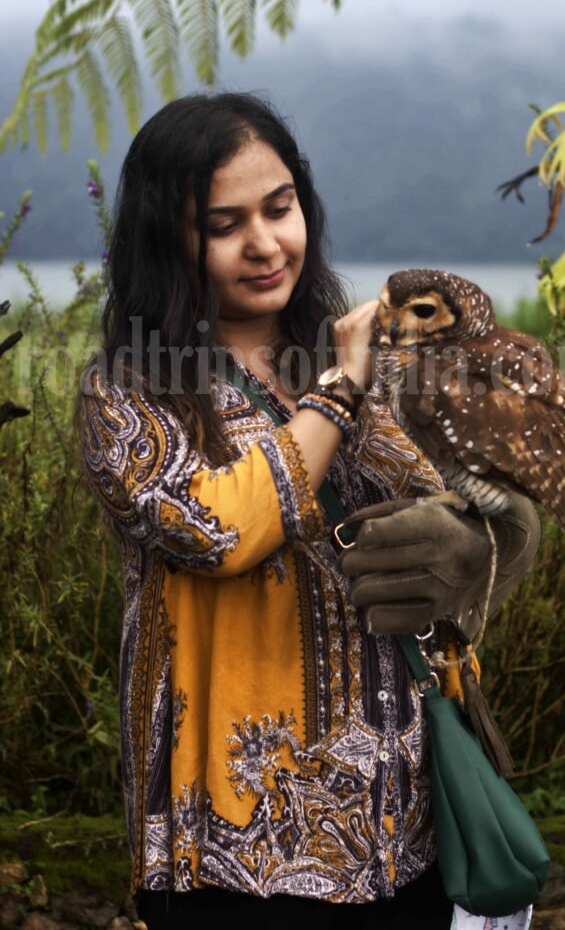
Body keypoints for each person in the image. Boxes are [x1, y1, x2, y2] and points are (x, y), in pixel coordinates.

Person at [79, 92, 540, 930]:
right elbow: (217, 529)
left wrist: (490, 539)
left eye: (279, 208)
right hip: (234, 849)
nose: (264, 244)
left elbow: (458, 498)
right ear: (167, 242)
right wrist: (337, 393)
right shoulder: (131, 393)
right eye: (224, 225)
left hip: (404, 828)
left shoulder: (349, 355)